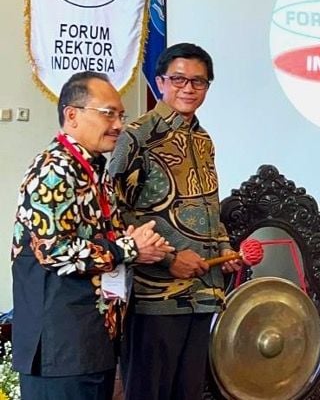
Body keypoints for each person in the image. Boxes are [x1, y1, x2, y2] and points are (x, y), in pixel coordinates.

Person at [10, 71, 173, 400]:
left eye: (121, 115)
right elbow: (54, 251)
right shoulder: (54, 168)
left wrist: (138, 242)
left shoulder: (97, 169)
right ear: (72, 115)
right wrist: (128, 248)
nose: (118, 125)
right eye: (108, 114)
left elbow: (103, 238)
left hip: (93, 338)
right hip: (60, 346)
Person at [109, 42, 240, 400]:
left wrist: (225, 249)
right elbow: (114, 212)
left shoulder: (203, 139)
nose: (188, 88)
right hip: (155, 295)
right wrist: (169, 259)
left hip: (204, 289)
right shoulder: (137, 135)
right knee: (149, 392)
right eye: (179, 79)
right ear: (160, 82)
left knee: (189, 392)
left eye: (199, 81)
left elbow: (208, 203)